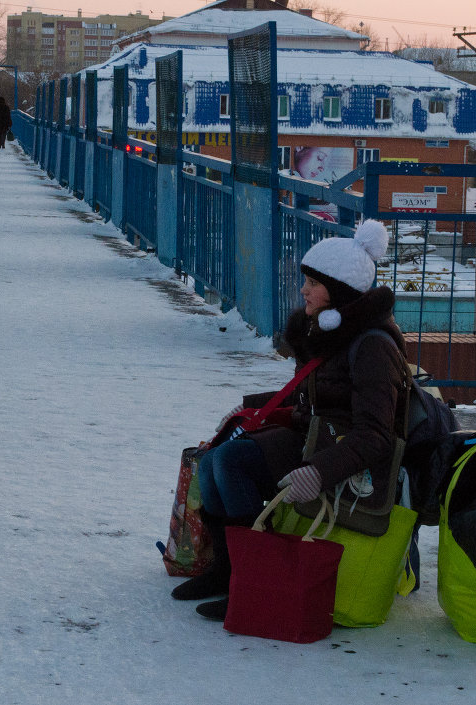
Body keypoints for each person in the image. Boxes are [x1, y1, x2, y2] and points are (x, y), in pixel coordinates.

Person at [171, 219, 405, 620]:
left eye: (313, 283)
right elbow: (309, 394)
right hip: (312, 433)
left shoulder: (372, 347)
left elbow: (376, 434)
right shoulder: (330, 331)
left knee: (231, 464)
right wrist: (249, 407)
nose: (303, 290)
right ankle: (226, 571)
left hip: (338, 451)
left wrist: (318, 471)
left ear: (341, 291)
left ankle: (256, 579)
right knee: (214, 462)